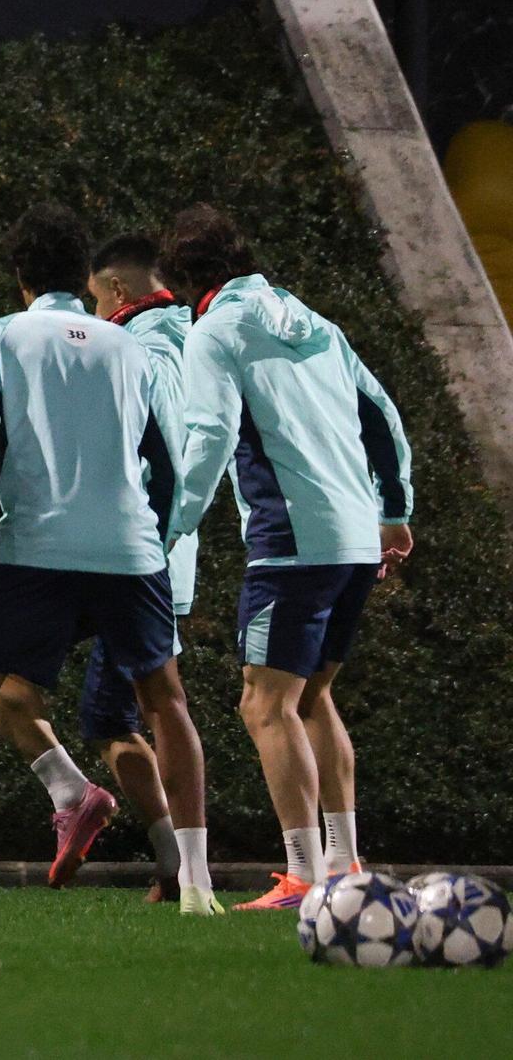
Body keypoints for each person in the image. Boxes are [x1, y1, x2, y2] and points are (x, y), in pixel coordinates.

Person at [0, 204, 219, 917]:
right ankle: (198, 885)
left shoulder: (4, 334)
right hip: (131, 553)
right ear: (81, 274)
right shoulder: (129, 347)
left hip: (34, 549)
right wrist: (156, 536)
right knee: (166, 705)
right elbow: (167, 462)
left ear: (20, 278)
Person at [160, 205, 413, 911]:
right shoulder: (313, 321)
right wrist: (394, 513)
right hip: (356, 534)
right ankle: (344, 861)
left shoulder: (215, 329)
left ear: (185, 279)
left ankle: (305, 873)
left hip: (293, 542)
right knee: (311, 696)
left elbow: (209, 434)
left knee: (264, 702)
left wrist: (174, 524)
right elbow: (380, 414)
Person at [0, 232, 198, 899]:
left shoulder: (138, 346)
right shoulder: (195, 333)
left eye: (99, 297)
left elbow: (159, 453)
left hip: (121, 558)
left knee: (28, 694)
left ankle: (170, 858)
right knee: (106, 710)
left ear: (118, 293)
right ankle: (165, 857)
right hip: (146, 557)